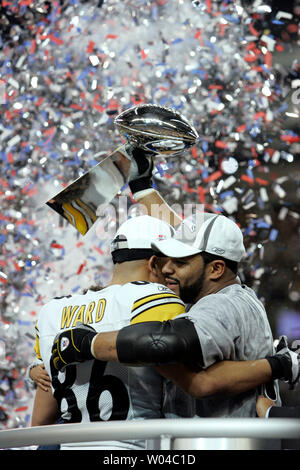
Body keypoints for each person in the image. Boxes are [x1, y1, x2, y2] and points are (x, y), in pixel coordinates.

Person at [51, 148, 300, 419]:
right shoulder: (220, 287)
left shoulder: (223, 304)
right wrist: (142, 186)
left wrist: (88, 343)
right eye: (166, 258)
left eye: (179, 263)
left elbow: (165, 343)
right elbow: (192, 241)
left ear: (216, 269)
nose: (167, 268)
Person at [32, 214, 195, 451]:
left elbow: (41, 419)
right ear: (153, 263)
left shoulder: (51, 312)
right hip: (131, 446)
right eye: (172, 262)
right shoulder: (157, 299)